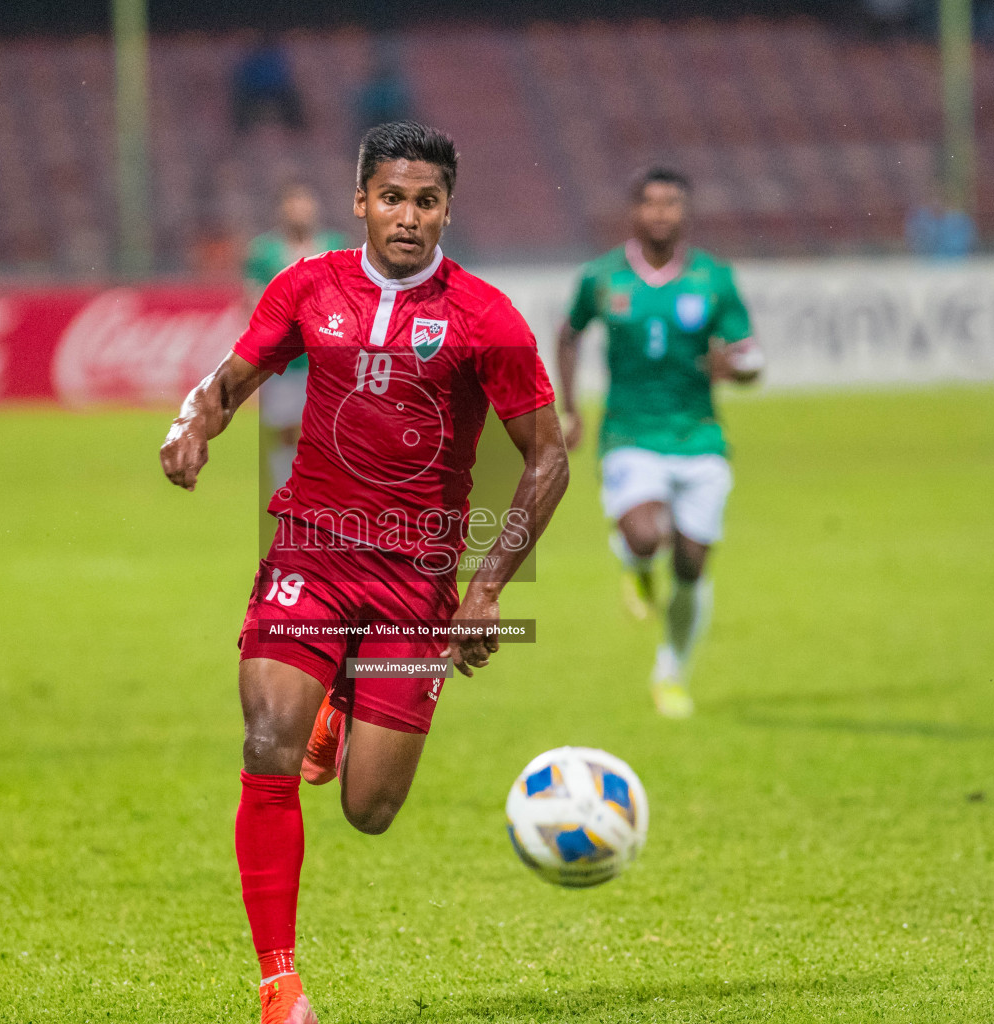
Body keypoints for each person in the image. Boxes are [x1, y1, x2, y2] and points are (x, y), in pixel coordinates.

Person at [160, 121, 568, 1024]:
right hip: (310, 547)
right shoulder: (309, 286)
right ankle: (279, 983)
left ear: (448, 209)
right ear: (361, 202)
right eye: (392, 198)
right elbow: (229, 381)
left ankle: (343, 695)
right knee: (266, 741)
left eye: (426, 202)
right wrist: (191, 425)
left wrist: (490, 586)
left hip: (416, 582)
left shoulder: (486, 318)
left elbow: (546, 458)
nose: (408, 217)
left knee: (369, 809)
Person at [556, 168, 762, 718]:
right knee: (646, 536)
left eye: (672, 203)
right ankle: (634, 560)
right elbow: (569, 332)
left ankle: (671, 672)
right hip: (629, 433)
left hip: (699, 436)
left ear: (685, 212)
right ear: (635, 212)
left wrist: (735, 368)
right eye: (652, 203)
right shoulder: (602, 278)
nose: (662, 213)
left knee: (693, 566)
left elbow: (750, 358)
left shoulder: (713, 279)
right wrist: (570, 407)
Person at [244, 183, 346, 490]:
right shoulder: (263, 252)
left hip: (325, 359)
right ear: (282, 211)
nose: (299, 211)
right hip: (285, 361)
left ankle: (325, 492)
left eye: (304, 204)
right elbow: (252, 301)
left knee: (328, 429)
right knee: (285, 428)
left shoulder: (334, 245)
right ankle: (285, 489)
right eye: (293, 205)